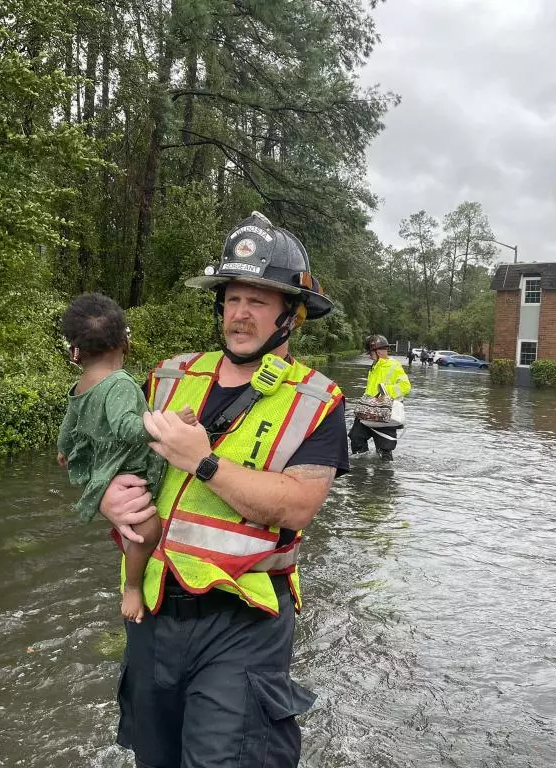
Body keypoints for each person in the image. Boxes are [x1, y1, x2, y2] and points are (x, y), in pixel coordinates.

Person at [97, 211, 349, 768]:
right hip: (154, 614)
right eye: (233, 298)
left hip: (243, 623)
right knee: (153, 758)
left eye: (258, 301)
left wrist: (204, 463)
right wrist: (108, 498)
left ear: (293, 316)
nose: (240, 313)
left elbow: (299, 505)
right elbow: (115, 461)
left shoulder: (317, 400)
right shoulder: (167, 376)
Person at [57, 293, 197, 624]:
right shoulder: (118, 381)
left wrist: (63, 449)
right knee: (148, 532)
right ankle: (132, 586)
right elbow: (126, 428)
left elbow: (69, 423)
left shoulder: (82, 384)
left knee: (137, 527)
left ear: (76, 353)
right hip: (123, 465)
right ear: (124, 343)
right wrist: (169, 422)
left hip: (100, 465)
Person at [348, 334, 411, 462]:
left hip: (385, 412)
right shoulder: (374, 366)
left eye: (370, 352)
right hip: (368, 410)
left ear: (378, 351)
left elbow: (405, 386)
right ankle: (360, 470)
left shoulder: (394, 366)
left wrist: (384, 393)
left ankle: (383, 477)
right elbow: (370, 389)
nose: (369, 355)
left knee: (384, 451)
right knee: (356, 437)